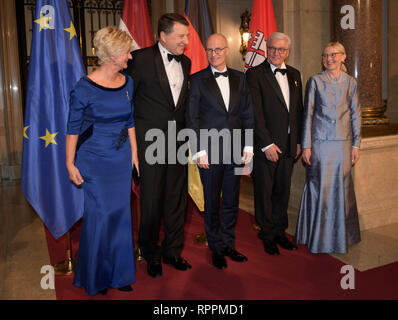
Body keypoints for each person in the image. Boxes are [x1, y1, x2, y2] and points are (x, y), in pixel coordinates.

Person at [66, 26, 137, 296]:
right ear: (112, 56)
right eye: (127, 53)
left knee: (120, 216)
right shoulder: (84, 88)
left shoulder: (127, 82)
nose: (130, 57)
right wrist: (69, 164)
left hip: (120, 159)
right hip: (93, 160)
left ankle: (119, 275)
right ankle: (96, 276)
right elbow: (72, 128)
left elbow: (129, 121)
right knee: (101, 216)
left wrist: (134, 154)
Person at [124, 13, 192, 278]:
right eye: (181, 36)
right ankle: (150, 253)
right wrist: (132, 148)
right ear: (163, 36)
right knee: (151, 201)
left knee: (177, 200)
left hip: (178, 142)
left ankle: (172, 251)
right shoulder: (139, 60)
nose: (186, 41)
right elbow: (126, 103)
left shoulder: (186, 62)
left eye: (186, 35)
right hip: (149, 143)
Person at [186, 34, 254, 269]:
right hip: (209, 152)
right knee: (212, 202)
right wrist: (198, 150)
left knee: (232, 201)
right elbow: (192, 118)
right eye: (209, 50)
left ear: (227, 50)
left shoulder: (240, 78)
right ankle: (215, 247)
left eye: (217, 50)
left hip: (236, 150)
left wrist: (248, 145)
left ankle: (228, 244)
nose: (213, 54)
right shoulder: (196, 80)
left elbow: (247, 113)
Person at [295, 42, 361, 254]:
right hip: (320, 145)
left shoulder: (351, 83)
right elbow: (308, 115)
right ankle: (316, 237)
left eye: (333, 55)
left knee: (342, 189)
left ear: (343, 57)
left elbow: (355, 114)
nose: (329, 59)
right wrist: (306, 146)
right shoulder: (315, 81)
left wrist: (356, 144)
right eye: (325, 55)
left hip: (343, 144)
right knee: (320, 189)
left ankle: (343, 236)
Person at [246, 32, 303, 256]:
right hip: (267, 145)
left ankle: (280, 232)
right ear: (266, 49)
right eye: (272, 49)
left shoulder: (296, 74)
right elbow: (255, 113)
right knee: (265, 192)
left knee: (283, 190)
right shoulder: (254, 74)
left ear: (288, 52)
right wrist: (266, 143)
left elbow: (298, 110)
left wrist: (298, 140)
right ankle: (267, 235)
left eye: (281, 49)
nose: (276, 53)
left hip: (289, 145)